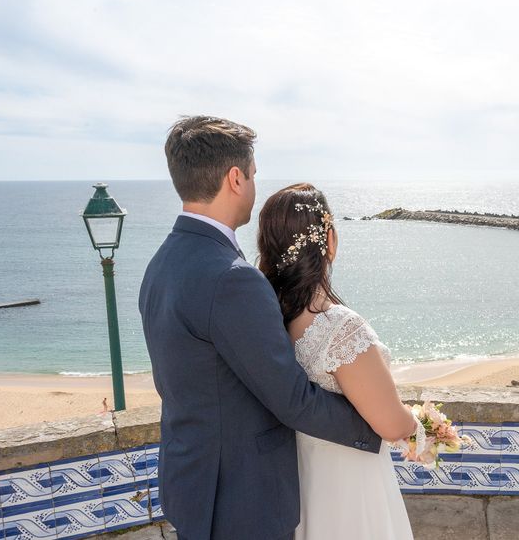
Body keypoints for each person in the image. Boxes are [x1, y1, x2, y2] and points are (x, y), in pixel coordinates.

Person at [139, 116, 385, 540]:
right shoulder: (230, 277)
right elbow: (291, 399)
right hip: (241, 501)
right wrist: (379, 424)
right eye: (253, 174)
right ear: (235, 177)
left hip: (191, 484)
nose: (254, 184)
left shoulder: (160, 265)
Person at [257, 183, 418, 540]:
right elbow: (391, 425)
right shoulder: (341, 328)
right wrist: (419, 425)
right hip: (352, 489)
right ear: (329, 240)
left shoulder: (268, 325)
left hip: (300, 483)